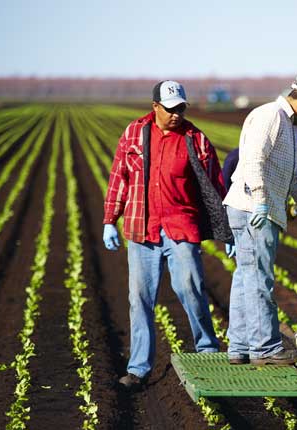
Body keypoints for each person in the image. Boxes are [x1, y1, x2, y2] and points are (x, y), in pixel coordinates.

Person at [102, 80, 231, 389]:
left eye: (181, 108)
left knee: (191, 287)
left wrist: (227, 230)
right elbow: (119, 176)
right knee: (140, 298)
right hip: (142, 228)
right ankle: (139, 368)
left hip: (180, 226)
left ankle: (208, 350)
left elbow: (214, 186)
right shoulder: (134, 133)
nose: (176, 115)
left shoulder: (195, 139)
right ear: (155, 107)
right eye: (170, 109)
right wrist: (110, 219)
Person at [223, 73, 297, 366]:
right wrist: (261, 201)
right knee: (259, 277)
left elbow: (295, 181)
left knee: (246, 277)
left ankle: (240, 346)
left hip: (254, 209)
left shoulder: (291, 129)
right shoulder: (270, 116)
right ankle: (265, 349)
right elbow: (252, 161)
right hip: (253, 210)